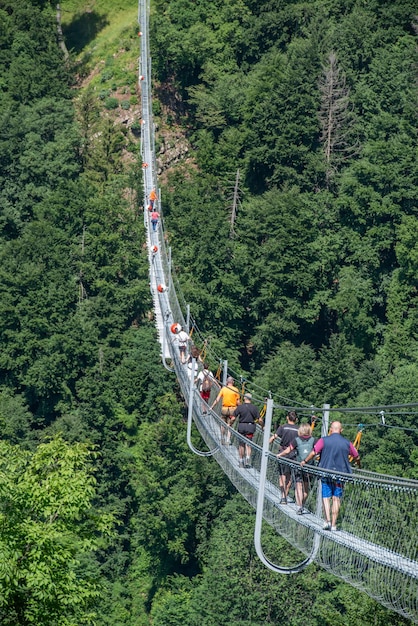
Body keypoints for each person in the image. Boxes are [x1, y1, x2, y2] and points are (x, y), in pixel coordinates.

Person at [301, 421, 360, 531]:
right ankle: (333, 524)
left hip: (326, 472)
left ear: (331, 429)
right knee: (336, 498)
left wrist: (305, 461)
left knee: (326, 497)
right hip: (340, 475)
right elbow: (356, 455)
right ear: (341, 430)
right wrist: (358, 465)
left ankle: (327, 520)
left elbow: (314, 452)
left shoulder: (324, 440)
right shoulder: (347, 443)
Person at [277, 423, 317, 514]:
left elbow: (288, 450)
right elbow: (318, 450)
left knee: (298, 486)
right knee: (306, 488)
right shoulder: (314, 440)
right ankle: (301, 505)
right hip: (310, 467)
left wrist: (280, 454)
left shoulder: (296, 440)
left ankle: (299, 506)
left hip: (299, 466)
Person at [269, 411, 299, 504]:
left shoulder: (283, 427)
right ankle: (285, 496)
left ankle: (282, 496)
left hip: (282, 452)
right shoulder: (298, 430)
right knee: (289, 476)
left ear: (287, 418)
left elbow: (274, 437)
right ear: (296, 419)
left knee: (282, 475)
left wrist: (267, 444)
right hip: (293, 453)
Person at [211, 376, 240, 445]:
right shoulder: (236, 390)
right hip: (232, 410)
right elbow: (238, 402)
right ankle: (228, 439)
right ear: (233, 382)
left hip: (224, 409)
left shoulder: (224, 389)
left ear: (227, 382)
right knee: (230, 424)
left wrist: (211, 407)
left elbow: (217, 399)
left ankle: (222, 437)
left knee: (223, 424)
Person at [234, 392, 260, 468]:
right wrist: (262, 426)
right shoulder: (254, 408)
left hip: (241, 426)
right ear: (251, 399)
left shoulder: (240, 407)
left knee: (241, 444)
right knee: (248, 443)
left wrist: (229, 424)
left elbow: (233, 417)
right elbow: (260, 419)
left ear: (244, 398)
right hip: (250, 427)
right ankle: (248, 458)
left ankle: (241, 460)